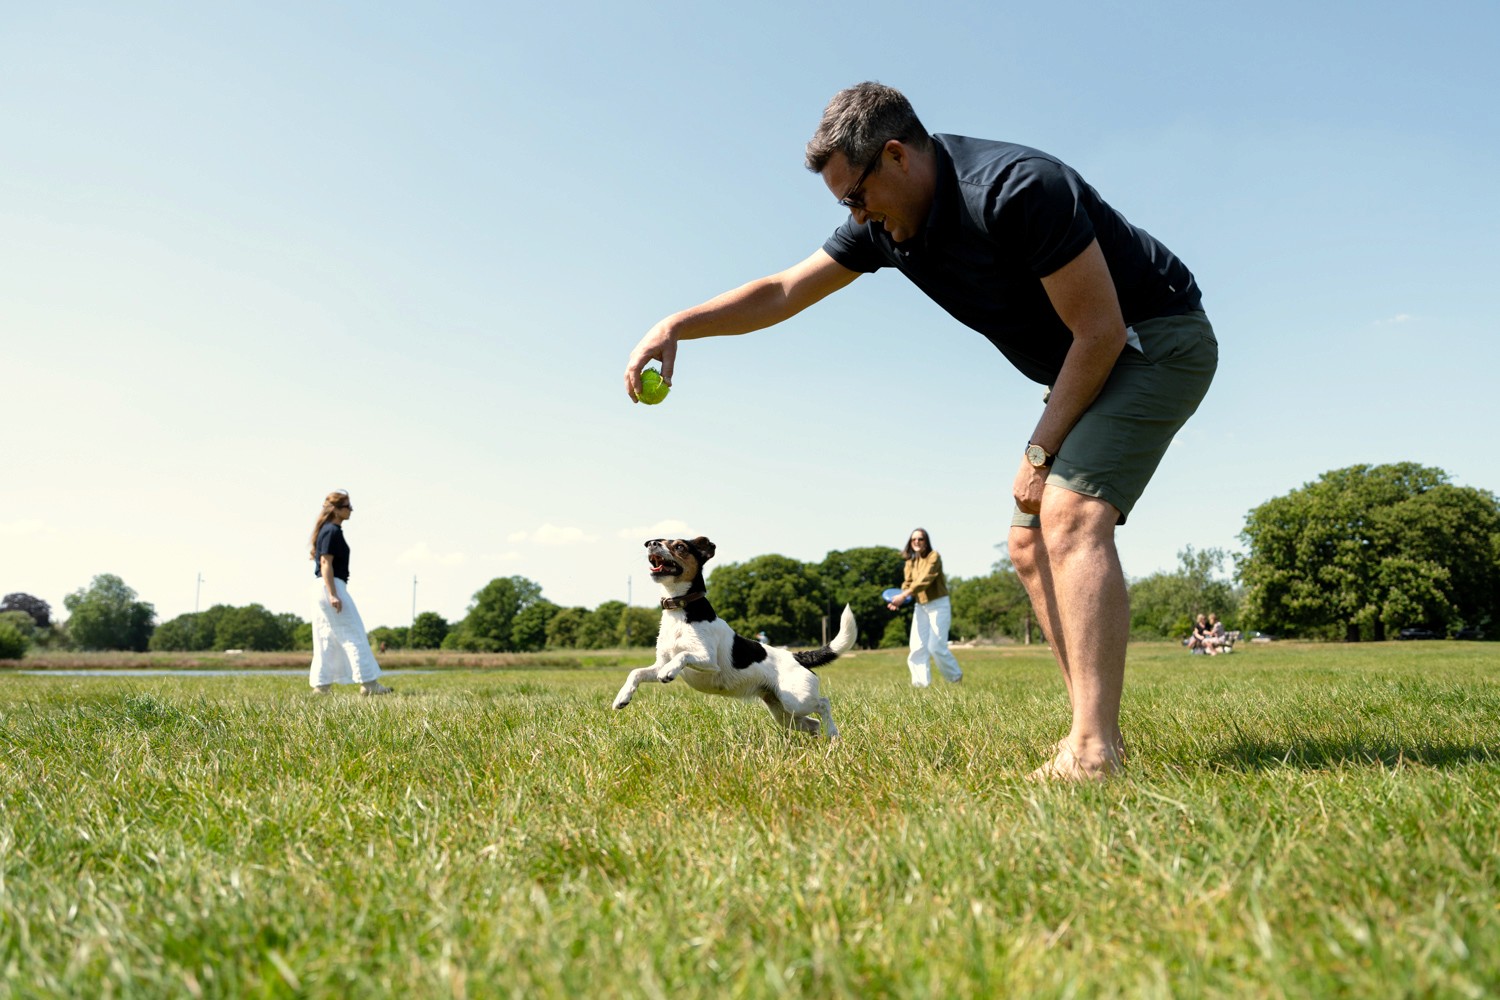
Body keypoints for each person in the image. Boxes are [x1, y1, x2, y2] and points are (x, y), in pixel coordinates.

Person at [623, 82, 1217, 780]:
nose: (855, 213)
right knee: (1027, 546)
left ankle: (1093, 751)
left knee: (1070, 513)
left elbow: (1101, 329)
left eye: (855, 196)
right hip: (1086, 362)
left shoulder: (1016, 189)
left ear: (897, 156)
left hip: (1151, 341)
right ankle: (1088, 731)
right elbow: (787, 289)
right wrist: (676, 326)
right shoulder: (884, 226)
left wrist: (1039, 451)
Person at [308, 490, 392, 696]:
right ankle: (369, 684)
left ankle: (321, 686)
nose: (351, 510)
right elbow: (325, 562)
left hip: (325, 587)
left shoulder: (329, 530)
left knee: (326, 637)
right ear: (335, 510)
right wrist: (333, 593)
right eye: (347, 506)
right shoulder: (332, 531)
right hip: (331, 586)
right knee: (354, 634)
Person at [887, 528, 963, 686]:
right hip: (920, 606)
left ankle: (955, 678)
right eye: (914, 539)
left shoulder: (934, 556)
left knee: (935, 646)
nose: (917, 542)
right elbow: (907, 584)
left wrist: (903, 595)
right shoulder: (910, 562)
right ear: (910, 542)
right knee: (916, 646)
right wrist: (896, 600)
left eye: (920, 539)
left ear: (926, 541)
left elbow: (924, 580)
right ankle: (921, 685)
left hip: (939, 604)